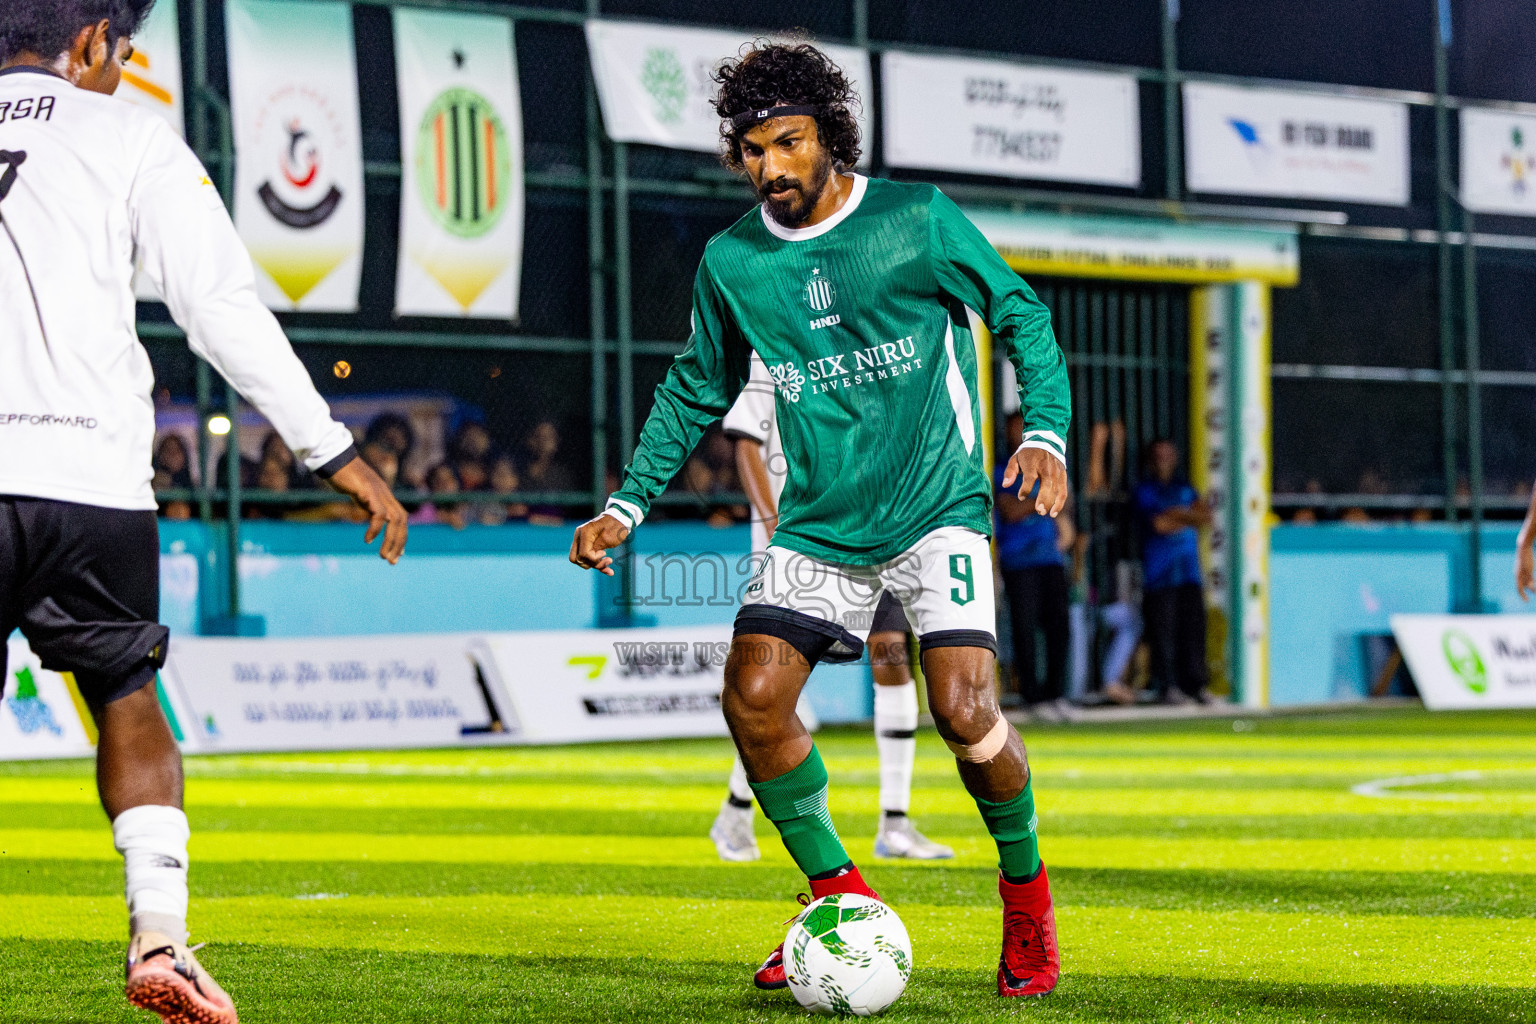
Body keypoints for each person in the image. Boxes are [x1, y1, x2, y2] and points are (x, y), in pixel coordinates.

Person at [570, 43, 1069, 998]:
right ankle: (837, 900)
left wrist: (1043, 431)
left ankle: (1027, 903)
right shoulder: (734, 261)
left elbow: (1020, 313)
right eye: (752, 150)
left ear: (829, 137)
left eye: (788, 142)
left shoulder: (914, 220)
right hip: (820, 525)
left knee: (966, 711)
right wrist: (626, 503)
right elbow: (695, 384)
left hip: (937, 508)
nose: (770, 168)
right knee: (753, 699)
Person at [0, 7, 408, 1022]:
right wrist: (334, 451)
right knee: (128, 697)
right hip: (90, 477)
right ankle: (163, 937)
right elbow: (220, 305)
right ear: (92, 39)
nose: (119, 72)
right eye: (123, 56)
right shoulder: (129, 133)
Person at [708, 354, 954, 863]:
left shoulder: (864, 350)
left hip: (871, 533)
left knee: (892, 658)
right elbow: (747, 447)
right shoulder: (768, 348)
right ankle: (735, 811)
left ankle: (895, 823)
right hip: (803, 547)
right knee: (773, 688)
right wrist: (777, 526)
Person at [995, 412, 1074, 722]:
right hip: (1018, 561)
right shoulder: (1003, 468)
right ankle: (1031, 696)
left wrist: (1030, 501)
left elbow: (1062, 504)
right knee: (1024, 629)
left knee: (1059, 628)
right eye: (1017, 426)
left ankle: (1056, 694)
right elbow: (1010, 511)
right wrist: (1041, 499)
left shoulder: (1047, 465)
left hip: (1051, 559)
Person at [1132, 439, 1211, 704]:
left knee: (1193, 628)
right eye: (1159, 455)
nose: (1164, 460)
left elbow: (1205, 517)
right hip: (1160, 573)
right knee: (1163, 633)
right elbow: (1159, 525)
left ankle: (1196, 685)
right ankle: (1167, 686)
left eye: (1169, 454)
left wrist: (1178, 515)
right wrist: (1186, 517)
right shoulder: (1145, 490)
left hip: (1189, 571)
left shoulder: (1184, 487)